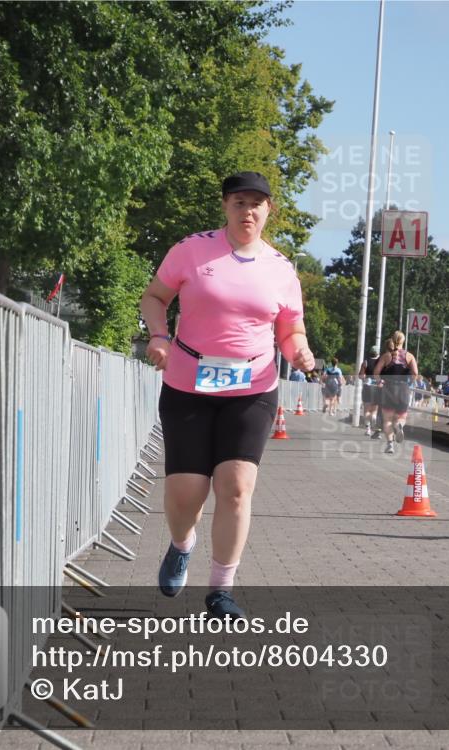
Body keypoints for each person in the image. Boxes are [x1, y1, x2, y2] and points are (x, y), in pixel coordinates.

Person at [140, 171, 314, 618]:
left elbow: (290, 329)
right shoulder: (192, 249)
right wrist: (158, 336)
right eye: (239, 202)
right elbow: (155, 297)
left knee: (235, 487)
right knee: (186, 494)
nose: (248, 211)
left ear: (268, 211)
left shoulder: (280, 268)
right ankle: (182, 544)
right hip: (188, 383)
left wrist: (300, 353)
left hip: (252, 387)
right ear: (225, 207)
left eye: (257, 203)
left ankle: (222, 588)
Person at [373, 331, 419, 454]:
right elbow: (415, 373)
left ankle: (390, 445)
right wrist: (410, 382)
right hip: (403, 389)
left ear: (392, 340)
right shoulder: (409, 356)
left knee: (387, 419)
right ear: (403, 341)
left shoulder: (386, 356)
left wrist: (380, 382)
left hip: (388, 389)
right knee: (401, 416)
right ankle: (399, 425)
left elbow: (376, 373)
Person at [358, 345, 383, 438]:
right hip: (377, 387)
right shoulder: (381, 362)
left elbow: (360, 376)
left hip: (367, 387)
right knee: (374, 411)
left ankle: (368, 429)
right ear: (378, 353)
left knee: (367, 409)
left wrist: (364, 377)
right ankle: (375, 428)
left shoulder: (366, 362)